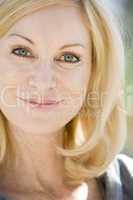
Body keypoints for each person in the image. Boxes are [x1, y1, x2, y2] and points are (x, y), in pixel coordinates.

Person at [0, 0, 132, 200]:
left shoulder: (127, 180)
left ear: (93, 73)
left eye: (69, 57)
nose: (43, 82)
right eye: (22, 51)